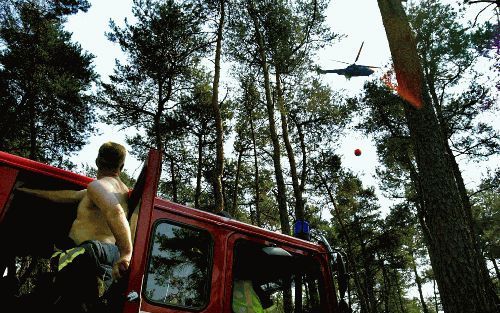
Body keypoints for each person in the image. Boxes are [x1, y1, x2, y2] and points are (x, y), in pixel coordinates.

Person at [17, 142, 132, 308]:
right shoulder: (116, 190)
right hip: (97, 264)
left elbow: (115, 213)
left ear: (97, 161)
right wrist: (28, 191)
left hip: (89, 259)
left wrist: (126, 253)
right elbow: (70, 196)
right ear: (121, 165)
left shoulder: (99, 186)